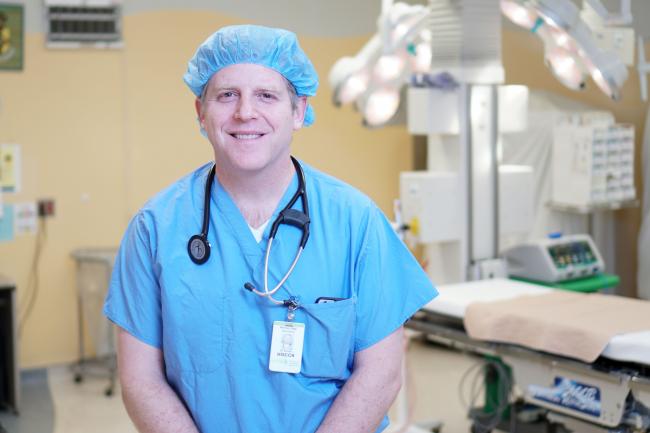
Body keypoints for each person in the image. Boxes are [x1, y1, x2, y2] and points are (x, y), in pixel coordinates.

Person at [104, 24, 437, 433]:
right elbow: (141, 380)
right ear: (200, 112)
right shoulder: (154, 229)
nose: (246, 112)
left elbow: (381, 373)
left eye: (266, 95)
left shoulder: (355, 222)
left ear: (297, 111)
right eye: (227, 95)